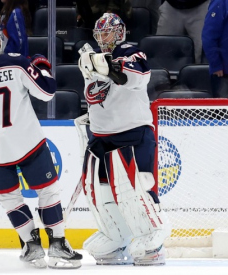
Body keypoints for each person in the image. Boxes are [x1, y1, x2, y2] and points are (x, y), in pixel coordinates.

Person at [0, 20, 82, 269]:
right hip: (28, 144)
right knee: (47, 191)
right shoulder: (16, 62)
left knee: (10, 198)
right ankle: (57, 246)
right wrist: (42, 66)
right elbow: (46, 92)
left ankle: (31, 246)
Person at [77, 13, 171, 265]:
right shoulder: (90, 60)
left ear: (119, 33)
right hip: (100, 139)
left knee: (138, 188)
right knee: (99, 192)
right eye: (99, 34)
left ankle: (154, 238)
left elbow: (136, 74)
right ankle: (115, 235)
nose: (102, 38)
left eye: (107, 32)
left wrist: (110, 66)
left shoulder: (131, 51)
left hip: (132, 134)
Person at [202, 0, 228, 98]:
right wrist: (216, 64)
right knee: (222, 112)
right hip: (224, 73)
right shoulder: (221, 2)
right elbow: (209, 36)